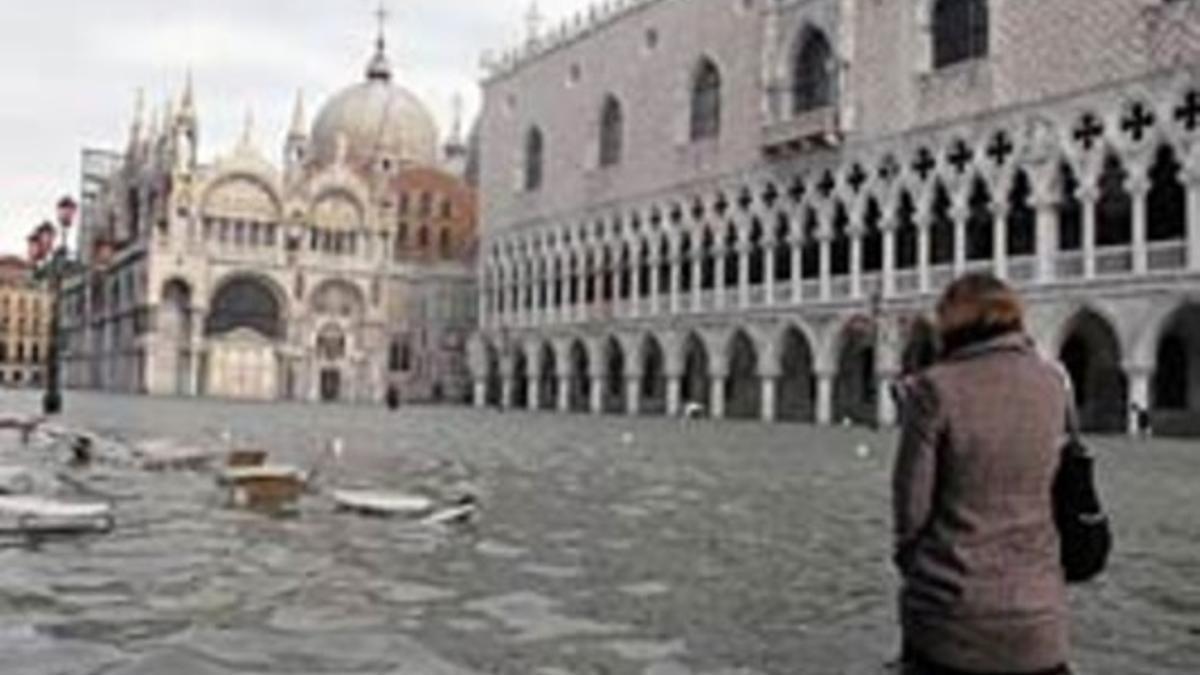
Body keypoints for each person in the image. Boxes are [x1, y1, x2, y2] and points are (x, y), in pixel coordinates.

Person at [892, 273, 1072, 675]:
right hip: (1039, 617)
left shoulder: (934, 388)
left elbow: (911, 506)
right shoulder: (1052, 384)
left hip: (951, 613)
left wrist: (916, 565)